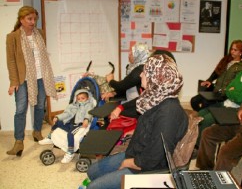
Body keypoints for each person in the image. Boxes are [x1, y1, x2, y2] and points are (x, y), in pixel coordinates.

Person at [81, 54, 188, 189]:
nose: (141, 75)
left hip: (147, 167)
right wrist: (134, 131)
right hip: (137, 152)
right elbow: (151, 126)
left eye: (145, 72)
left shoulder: (169, 113)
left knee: (93, 187)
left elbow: (154, 157)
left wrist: (128, 163)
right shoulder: (155, 98)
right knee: (92, 171)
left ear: (156, 78)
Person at [6, 6, 57, 156]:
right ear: (21, 20)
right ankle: (18, 142)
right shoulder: (13, 37)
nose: (32, 22)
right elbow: (11, 61)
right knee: (21, 109)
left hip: (41, 76)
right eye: (29, 19)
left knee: (40, 105)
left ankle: (36, 132)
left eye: (34, 19)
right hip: (23, 79)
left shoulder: (39, 33)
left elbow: (42, 56)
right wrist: (14, 82)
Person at [196, 49, 242, 145]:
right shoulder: (241, 73)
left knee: (206, 120)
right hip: (226, 104)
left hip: (235, 109)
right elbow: (228, 88)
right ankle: (196, 142)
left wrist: (232, 91)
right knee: (201, 113)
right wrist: (232, 91)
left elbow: (240, 98)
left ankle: (198, 147)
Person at [109, 49, 177, 120]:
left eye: (131, 53)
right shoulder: (160, 91)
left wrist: (120, 111)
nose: (141, 75)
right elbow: (142, 98)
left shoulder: (165, 108)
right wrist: (120, 106)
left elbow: (122, 86)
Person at [39, 89, 94, 163]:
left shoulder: (89, 105)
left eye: (83, 98)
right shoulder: (72, 106)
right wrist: (57, 117)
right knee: (58, 123)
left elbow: (89, 113)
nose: (80, 100)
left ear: (87, 98)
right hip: (69, 123)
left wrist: (86, 119)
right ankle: (49, 137)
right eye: (78, 99)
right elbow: (66, 113)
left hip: (78, 124)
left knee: (70, 134)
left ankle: (70, 152)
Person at [190, 39, 242, 111]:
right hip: (215, 90)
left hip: (225, 94)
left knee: (205, 103)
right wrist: (209, 80)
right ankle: (200, 115)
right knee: (194, 101)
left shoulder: (241, 66)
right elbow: (216, 72)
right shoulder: (226, 59)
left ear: (241, 52)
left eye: (235, 50)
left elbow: (237, 83)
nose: (232, 51)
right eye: (231, 49)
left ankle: (204, 116)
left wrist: (226, 90)